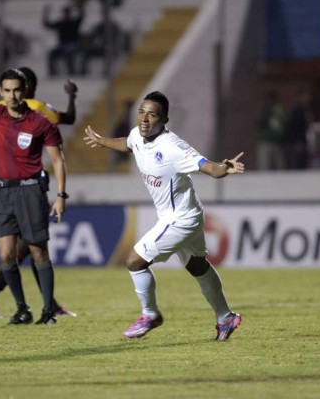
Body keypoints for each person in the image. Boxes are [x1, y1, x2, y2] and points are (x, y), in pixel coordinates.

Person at [83, 91, 243, 340]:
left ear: (164, 119)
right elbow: (127, 143)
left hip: (180, 219)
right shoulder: (138, 134)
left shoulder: (173, 147)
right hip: (186, 212)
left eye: (152, 114)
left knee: (135, 261)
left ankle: (150, 314)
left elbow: (208, 166)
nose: (144, 119)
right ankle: (226, 317)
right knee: (197, 266)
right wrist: (102, 141)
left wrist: (225, 168)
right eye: (141, 112)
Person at [0, 66, 77, 319]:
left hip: (31, 192)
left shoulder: (41, 122)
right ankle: (22, 309)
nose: (12, 96)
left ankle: (47, 311)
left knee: (37, 251)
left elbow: (58, 160)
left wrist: (61, 197)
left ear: (25, 91)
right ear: (1, 92)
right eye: (7, 91)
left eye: (17, 90)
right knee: (7, 255)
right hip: (1, 192)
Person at [80, 6, 126, 77]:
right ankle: (83, 71)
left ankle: (106, 71)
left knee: (108, 51)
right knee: (87, 52)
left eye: (106, 15)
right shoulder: (100, 26)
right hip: (102, 47)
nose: (105, 17)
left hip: (112, 48)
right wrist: (90, 41)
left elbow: (119, 39)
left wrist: (115, 46)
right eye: (104, 15)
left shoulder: (114, 26)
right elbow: (92, 37)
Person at [43, 3, 85, 76]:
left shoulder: (74, 23)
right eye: (66, 13)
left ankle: (76, 72)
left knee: (71, 54)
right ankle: (53, 73)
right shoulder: (61, 23)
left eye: (68, 13)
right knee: (52, 54)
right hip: (63, 46)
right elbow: (47, 24)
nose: (67, 15)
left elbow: (81, 17)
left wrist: (79, 6)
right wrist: (46, 13)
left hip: (74, 45)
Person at [256, 88, 285, 170]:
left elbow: (279, 125)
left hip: (276, 141)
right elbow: (259, 122)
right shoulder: (264, 109)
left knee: (278, 165)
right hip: (264, 140)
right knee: (264, 166)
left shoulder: (277, 110)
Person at [284, 86, 312, 169]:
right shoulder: (297, 111)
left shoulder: (306, 110)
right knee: (295, 166)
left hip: (302, 143)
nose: (307, 98)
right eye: (305, 96)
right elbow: (293, 127)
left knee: (303, 165)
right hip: (295, 144)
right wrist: (297, 142)